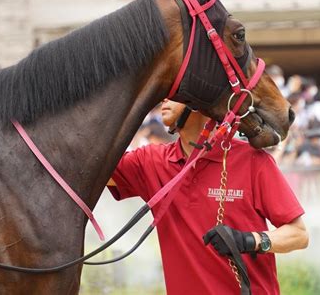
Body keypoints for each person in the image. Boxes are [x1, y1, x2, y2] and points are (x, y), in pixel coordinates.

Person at [108, 99, 308, 294]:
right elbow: (89, 171)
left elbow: (299, 235)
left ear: (199, 101)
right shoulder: (150, 162)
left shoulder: (253, 161)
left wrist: (250, 240)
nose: (164, 100)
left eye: (175, 95)